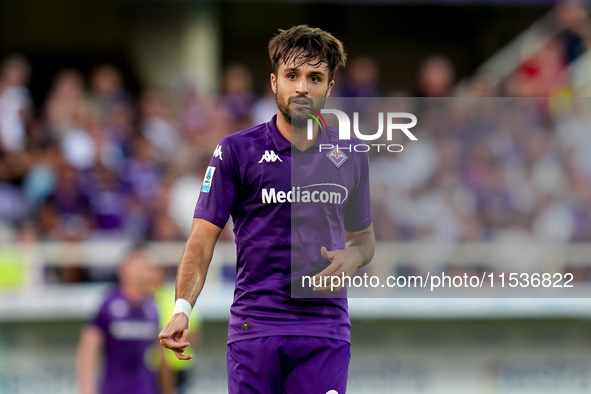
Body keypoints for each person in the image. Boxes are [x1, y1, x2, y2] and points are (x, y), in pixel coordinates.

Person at [159, 25, 375, 394]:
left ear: (329, 87)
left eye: (315, 77)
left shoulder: (351, 155)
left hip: (324, 329)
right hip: (255, 328)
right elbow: (201, 240)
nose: (302, 88)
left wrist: (353, 257)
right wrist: (182, 308)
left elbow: (364, 239)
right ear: (274, 82)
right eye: (292, 76)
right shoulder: (236, 151)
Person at [77, 248, 160, 394]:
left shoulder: (152, 307)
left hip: (145, 389)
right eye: (139, 266)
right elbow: (88, 347)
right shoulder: (108, 304)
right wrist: (87, 388)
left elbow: (160, 354)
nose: (144, 271)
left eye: (146, 267)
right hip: (114, 389)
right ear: (123, 271)